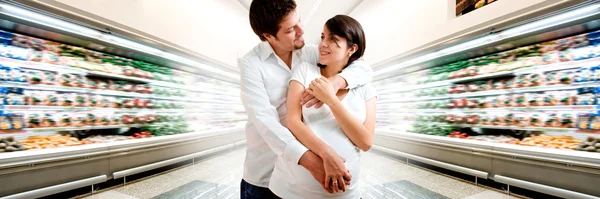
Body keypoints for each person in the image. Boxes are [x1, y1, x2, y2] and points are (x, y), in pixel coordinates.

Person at [239, 0, 372, 198]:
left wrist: (336, 83)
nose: (302, 31)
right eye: (292, 29)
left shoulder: (309, 54)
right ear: (268, 36)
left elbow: (362, 67)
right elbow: (265, 122)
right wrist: (315, 159)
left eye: (299, 21)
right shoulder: (252, 64)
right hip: (264, 176)